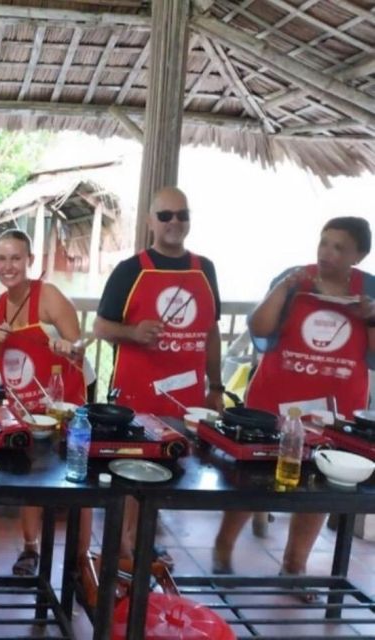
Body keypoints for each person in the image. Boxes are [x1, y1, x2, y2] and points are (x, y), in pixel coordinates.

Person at [213, 217, 374, 589]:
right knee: (253, 479)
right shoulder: (295, 278)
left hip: (332, 408)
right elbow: (261, 328)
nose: (328, 253)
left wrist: (371, 318)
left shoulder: (369, 291)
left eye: (339, 247)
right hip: (276, 399)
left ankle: (294, 565)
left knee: (320, 484)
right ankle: (223, 547)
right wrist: (285, 289)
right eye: (324, 243)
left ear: (359, 255)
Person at [94, 186, 223, 563]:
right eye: (165, 215)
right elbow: (101, 327)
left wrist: (215, 386)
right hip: (136, 395)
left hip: (186, 399)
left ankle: (143, 539)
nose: (175, 223)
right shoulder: (130, 269)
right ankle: (121, 549)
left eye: (182, 215)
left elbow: (211, 332)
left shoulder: (205, 268)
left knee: (168, 469)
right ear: (150, 221)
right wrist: (133, 333)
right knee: (131, 472)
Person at [0, 229, 96, 576]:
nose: (9, 266)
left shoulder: (48, 296)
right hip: (25, 406)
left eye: (16, 258)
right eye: (2, 259)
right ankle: (30, 549)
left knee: (78, 479)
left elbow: (78, 348)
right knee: (29, 477)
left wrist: (66, 345)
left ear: (30, 261)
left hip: (64, 404)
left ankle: (81, 558)